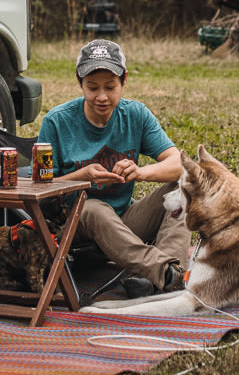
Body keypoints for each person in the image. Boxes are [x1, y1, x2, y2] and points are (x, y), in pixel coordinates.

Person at [36, 39, 189, 294]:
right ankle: (168, 275)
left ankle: (158, 279)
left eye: (110, 87)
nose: (102, 97)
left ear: (124, 80)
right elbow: (37, 189)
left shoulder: (136, 115)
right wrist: (81, 177)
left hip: (122, 223)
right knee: (94, 208)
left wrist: (141, 173)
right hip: (71, 225)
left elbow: (181, 165)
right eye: (92, 87)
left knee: (182, 190)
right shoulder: (56, 122)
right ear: (79, 82)